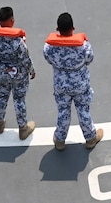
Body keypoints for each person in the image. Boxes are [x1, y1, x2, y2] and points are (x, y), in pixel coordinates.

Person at [43, 11, 103, 150]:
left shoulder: (49, 47)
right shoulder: (83, 46)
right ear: (73, 28)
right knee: (83, 110)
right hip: (80, 85)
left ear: (57, 29)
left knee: (63, 111)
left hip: (61, 85)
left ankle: (59, 140)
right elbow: (90, 59)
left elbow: (48, 59)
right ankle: (90, 138)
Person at [0, 6, 36, 140]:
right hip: (19, 75)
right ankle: (23, 129)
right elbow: (25, 59)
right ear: (12, 20)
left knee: (1, 97)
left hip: (2, 75)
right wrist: (32, 70)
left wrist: (1, 67)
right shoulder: (17, 41)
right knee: (19, 100)